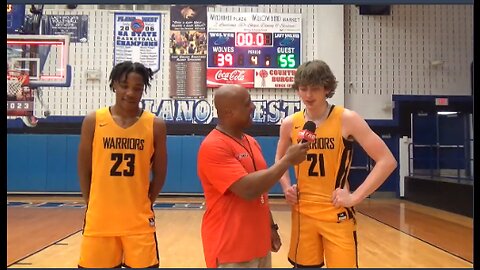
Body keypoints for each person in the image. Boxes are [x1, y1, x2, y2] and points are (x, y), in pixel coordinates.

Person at [275, 60, 397, 268]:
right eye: (303, 89)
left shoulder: (347, 119)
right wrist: (287, 187)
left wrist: (355, 197)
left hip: (336, 211)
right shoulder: (290, 123)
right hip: (303, 211)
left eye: (314, 89)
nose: (308, 95)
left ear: (327, 89)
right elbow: (280, 161)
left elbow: (387, 161)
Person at [197, 84, 310, 268]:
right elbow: (248, 189)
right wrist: (287, 161)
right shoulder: (213, 146)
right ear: (228, 112)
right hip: (230, 250)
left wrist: (270, 227)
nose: (253, 107)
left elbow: (261, 194)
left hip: (259, 245)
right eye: (246, 103)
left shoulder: (251, 142)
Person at [77, 61, 167, 268]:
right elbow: (84, 168)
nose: (130, 93)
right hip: (100, 220)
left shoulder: (155, 125)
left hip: (138, 221)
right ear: (114, 85)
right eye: (124, 86)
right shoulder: (94, 120)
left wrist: (146, 202)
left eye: (137, 88)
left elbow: (160, 174)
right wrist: (90, 202)